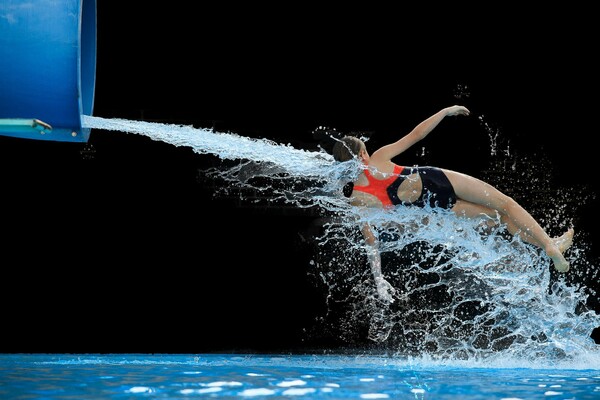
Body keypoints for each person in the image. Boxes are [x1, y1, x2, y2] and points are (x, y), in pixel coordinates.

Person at [331, 105, 574, 303]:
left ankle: (549, 246)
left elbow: (371, 242)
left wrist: (379, 279)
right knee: (505, 204)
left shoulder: (358, 200)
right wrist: (445, 111)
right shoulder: (378, 158)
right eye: (365, 149)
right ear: (362, 154)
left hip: (435, 205)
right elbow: (417, 134)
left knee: (499, 219)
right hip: (437, 179)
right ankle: (550, 246)